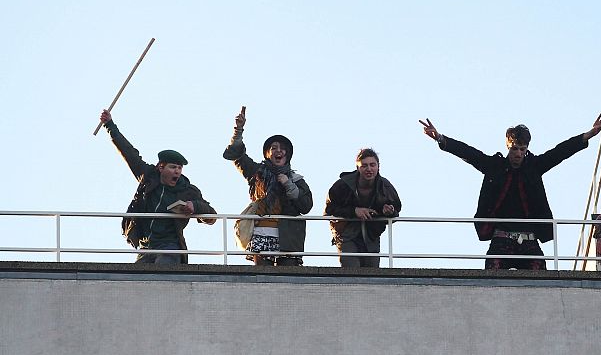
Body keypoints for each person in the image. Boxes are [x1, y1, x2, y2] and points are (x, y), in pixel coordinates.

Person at [419, 115, 601, 270]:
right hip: (501, 237)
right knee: (491, 276)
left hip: (529, 238)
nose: (518, 153)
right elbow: (469, 154)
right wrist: (440, 138)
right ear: (508, 146)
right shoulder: (495, 166)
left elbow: (559, 152)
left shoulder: (534, 166)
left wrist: (588, 135)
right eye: (515, 149)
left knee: (542, 278)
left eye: (523, 149)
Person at [99, 109, 217, 264]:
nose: (177, 171)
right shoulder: (148, 177)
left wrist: (194, 206)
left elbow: (212, 216)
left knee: (163, 271)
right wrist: (109, 125)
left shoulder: (188, 190)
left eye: (179, 168)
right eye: (173, 167)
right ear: (161, 168)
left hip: (170, 246)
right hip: (146, 246)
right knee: (136, 279)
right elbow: (129, 153)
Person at [223, 107, 313, 266]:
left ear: (288, 154)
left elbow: (306, 206)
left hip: (289, 236)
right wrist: (238, 130)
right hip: (261, 232)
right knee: (262, 278)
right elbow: (237, 156)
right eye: (274, 148)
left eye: (283, 148)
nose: (279, 151)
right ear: (267, 154)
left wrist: (288, 185)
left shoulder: (296, 179)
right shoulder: (257, 172)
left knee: (289, 280)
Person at [323, 148, 401, 268]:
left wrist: (388, 211)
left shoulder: (385, 187)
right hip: (346, 233)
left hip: (371, 235)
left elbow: (396, 212)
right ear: (358, 167)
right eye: (364, 165)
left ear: (378, 166)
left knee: (372, 273)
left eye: (372, 165)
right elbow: (329, 211)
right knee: (351, 270)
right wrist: (354, 211)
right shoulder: (342, 185)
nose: (369, 169)